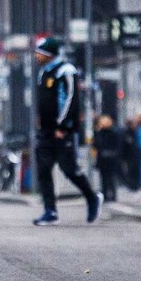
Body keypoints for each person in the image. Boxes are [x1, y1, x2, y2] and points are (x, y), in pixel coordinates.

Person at [32, 37, 103, 226]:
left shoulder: (66, 71)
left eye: (39, 52)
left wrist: (63, 127)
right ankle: (50, 210)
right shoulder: (43, 73)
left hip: (61, 131)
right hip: (46, 131)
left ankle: (92, 197)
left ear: (48, 54)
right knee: (43, 169)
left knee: (69, 170)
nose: (36, 55)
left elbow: (71, 100)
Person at [94, 115, 120, 202]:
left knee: (106, 178)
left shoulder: (100, 133)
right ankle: (111, 195)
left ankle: (107, 195)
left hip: (104, 159)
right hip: (110, 158)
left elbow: (96, 145)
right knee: (110, 178)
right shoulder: (113, 133)